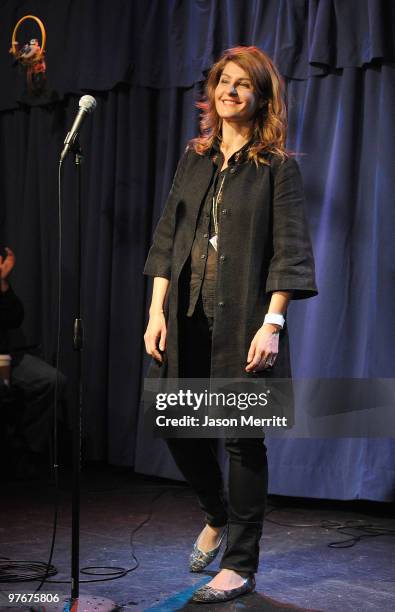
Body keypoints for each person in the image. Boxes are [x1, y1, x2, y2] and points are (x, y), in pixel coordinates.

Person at [143, 46, 317, 603]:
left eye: (243, 84)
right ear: (211, 93)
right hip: (184, 314)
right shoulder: (194, 159)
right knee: (176, 424)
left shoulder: (276, 168)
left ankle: (240, 564)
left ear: (260, 97)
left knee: (242, 440)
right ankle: (216, 513)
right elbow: (168, 240)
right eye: (224, 82)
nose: (230, 91)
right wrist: (155, 310)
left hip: (243, 318)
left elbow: (289, 251)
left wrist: (273, 323)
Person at [0, 247, 67, 478]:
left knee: (53, 380)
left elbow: (14, 318)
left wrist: (2, 283)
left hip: (6, 357)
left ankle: (26, 448)